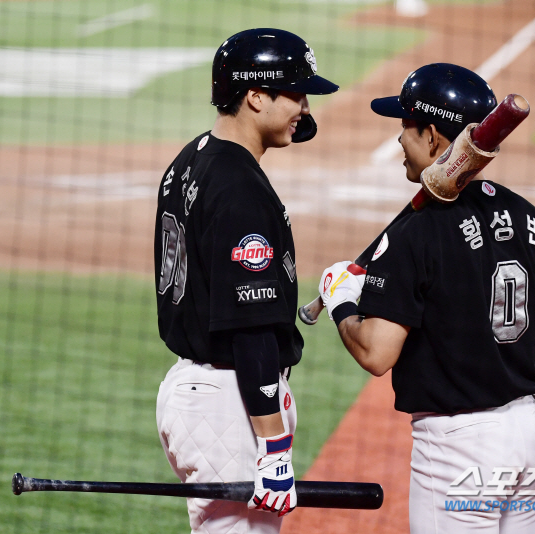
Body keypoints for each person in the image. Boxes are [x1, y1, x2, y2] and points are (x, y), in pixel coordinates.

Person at [319, 63, 535, 534]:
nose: (398, 141)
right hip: (533, 434)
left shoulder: (416, 234)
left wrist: (341, 303)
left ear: (432, 137)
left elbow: (376, 353)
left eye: (405, 128)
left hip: (460, 449)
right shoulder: (534, 221)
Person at [154, 28, 338, 534]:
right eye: (296, 93)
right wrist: (274, 449)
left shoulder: (192, 158)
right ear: (256, 96)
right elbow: (251, 326)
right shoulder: (239, 187)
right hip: (229, 402)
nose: (305, 106)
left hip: (195, 389)